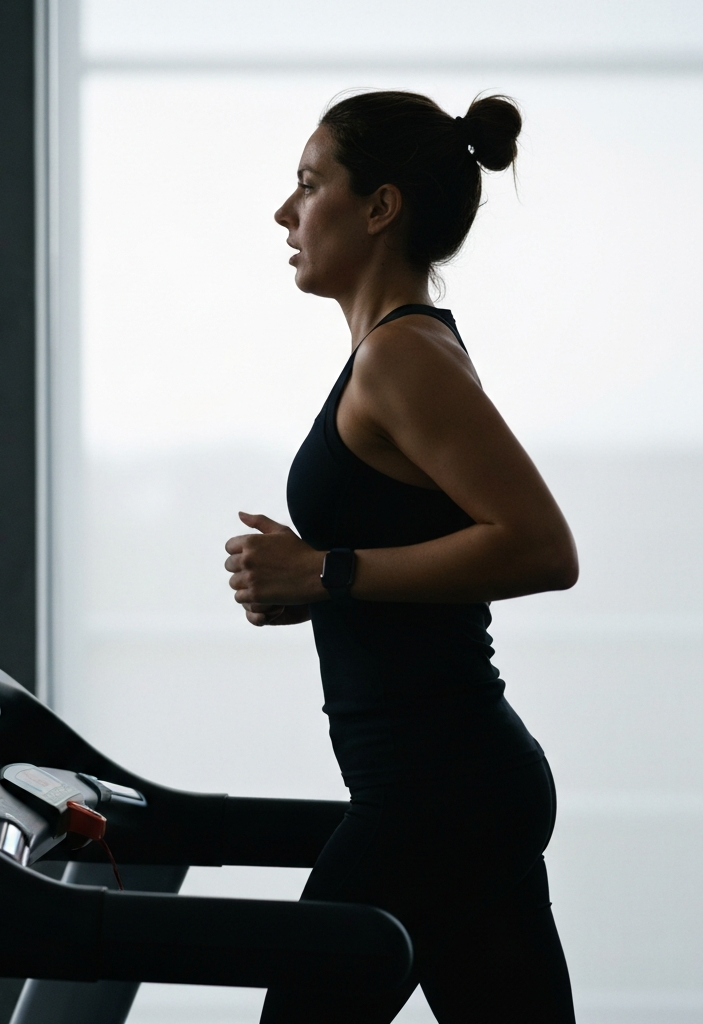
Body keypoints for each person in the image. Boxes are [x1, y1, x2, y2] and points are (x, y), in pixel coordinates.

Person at [223, 91, 579, 1023]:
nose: (285, 212)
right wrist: (313, 579)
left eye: (309, 184)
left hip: (437, 792)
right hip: (455, 786)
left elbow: (542, 547)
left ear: (380, 207)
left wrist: (326, 573)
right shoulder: (394, 354)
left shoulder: (403, 357)